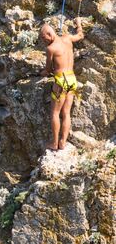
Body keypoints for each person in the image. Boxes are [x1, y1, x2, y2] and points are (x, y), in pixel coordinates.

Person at [40, 18, 84, 151]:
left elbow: (48, 70)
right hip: (72, 80)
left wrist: (41, 73)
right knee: (66, 113)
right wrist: (79, 24)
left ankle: (54, 143)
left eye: (43, 38)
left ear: (49, 34)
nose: (43, 41)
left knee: (55, 113)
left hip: (60, 81)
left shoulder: (51, 48)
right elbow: (80, 35)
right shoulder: (67, 38)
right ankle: (63, 142)